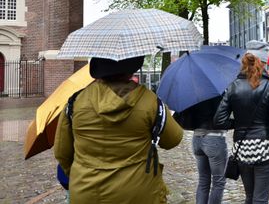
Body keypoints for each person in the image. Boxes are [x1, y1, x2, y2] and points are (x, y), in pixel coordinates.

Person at [54, 56, 184, 203]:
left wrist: (81, 173)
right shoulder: (150, 101)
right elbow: (173, 140)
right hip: (138, 192)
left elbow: (61, 152)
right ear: (131, 68)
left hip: (87, 192)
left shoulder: (75, 102)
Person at [214, 53, 269, 204]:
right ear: (262, 64)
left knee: (250, 197)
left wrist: (238, 124)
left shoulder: (232, 87)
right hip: (266, 148)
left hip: (242, 149)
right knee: (260, 199)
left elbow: (219, 120)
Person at [173, 96, 228, 204]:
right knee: (218, 181)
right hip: (214, 138)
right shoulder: (218, 94)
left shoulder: (194, 95)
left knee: (203, 181)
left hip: (197, 138)